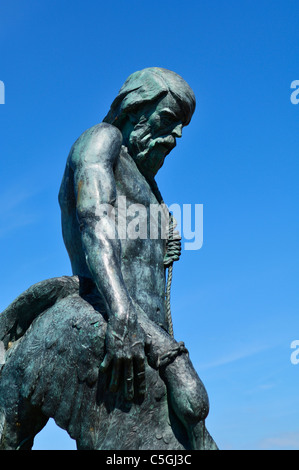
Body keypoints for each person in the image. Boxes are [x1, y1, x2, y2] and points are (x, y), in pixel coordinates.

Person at [58, 67, 212, 448]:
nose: (176, 136)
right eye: (168, 121)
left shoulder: (149, 183)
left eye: (182, 128)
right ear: (134, 110)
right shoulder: (101, 140)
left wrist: (163, 244)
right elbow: (94, 218)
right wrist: (122, 314)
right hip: (114, 315)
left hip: (156, 335)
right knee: (193, 401)